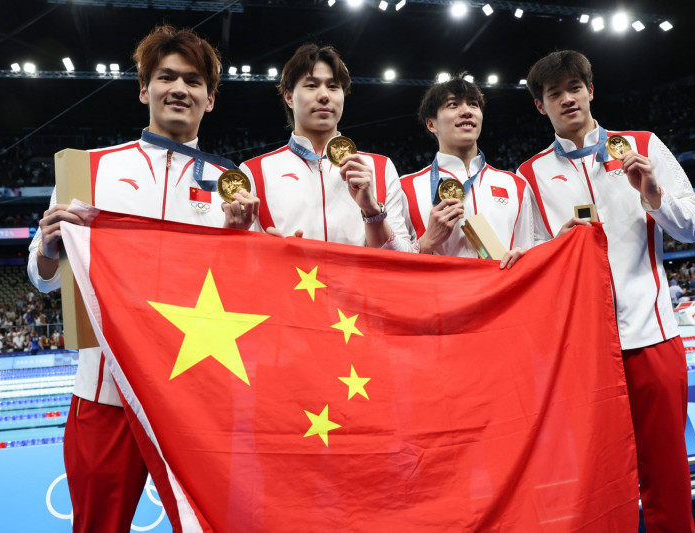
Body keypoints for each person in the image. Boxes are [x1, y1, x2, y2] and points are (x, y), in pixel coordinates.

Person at [27, 25, 257, 532]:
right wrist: (47, 247)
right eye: (166, 76)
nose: (180, 88)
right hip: (106, 391)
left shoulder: (233, 185)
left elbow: (250, 291)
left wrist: (243, 241)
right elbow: (43, 279)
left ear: (211, 98)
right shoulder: (90, 170)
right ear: (143, 88)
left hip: (202, 395)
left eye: (194, 81)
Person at [517, 50, 695, 531]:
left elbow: (692, 227)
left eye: (574, 88)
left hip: (653, 335)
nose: (567, 99)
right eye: (553, 93)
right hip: (584, 352)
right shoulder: (530, 175)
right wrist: (555, 247)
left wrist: (653, 195)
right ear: (541, 106)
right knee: (597, 479)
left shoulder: (642, 144)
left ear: (591, 91)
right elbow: (526, 259)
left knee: (666, 472)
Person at [239, 43, 414, 251]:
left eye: (333, 87)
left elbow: (405, 259)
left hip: (359, 285)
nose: (324, 95)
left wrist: (372, 211)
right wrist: (269, 255)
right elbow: (242, 262)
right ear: (288, 97)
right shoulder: (255, 172)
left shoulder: (380, 168)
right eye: (311, 86)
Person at [400, 75, 547, 267]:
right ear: (431, 124)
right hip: (440, 296)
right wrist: (425, 243)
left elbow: (530, 250)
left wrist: (529, 254)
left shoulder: (515, 185)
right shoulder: (406, 187)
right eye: (453, 105)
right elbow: (391, 263)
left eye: (473, 104)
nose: (467, 111)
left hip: (503, 295)